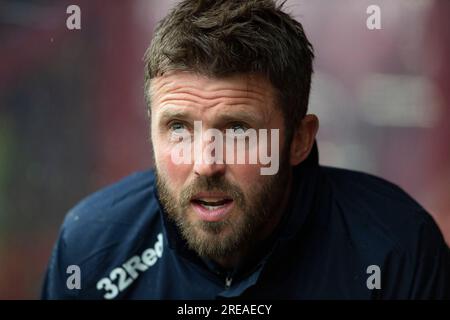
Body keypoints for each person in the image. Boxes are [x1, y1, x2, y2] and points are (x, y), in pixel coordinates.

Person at [42, 0, 450, 299]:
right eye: (178, 128)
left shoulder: (397, 249)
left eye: (238, 131)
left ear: (299, 139)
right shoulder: (92, 247)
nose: (205, 164)